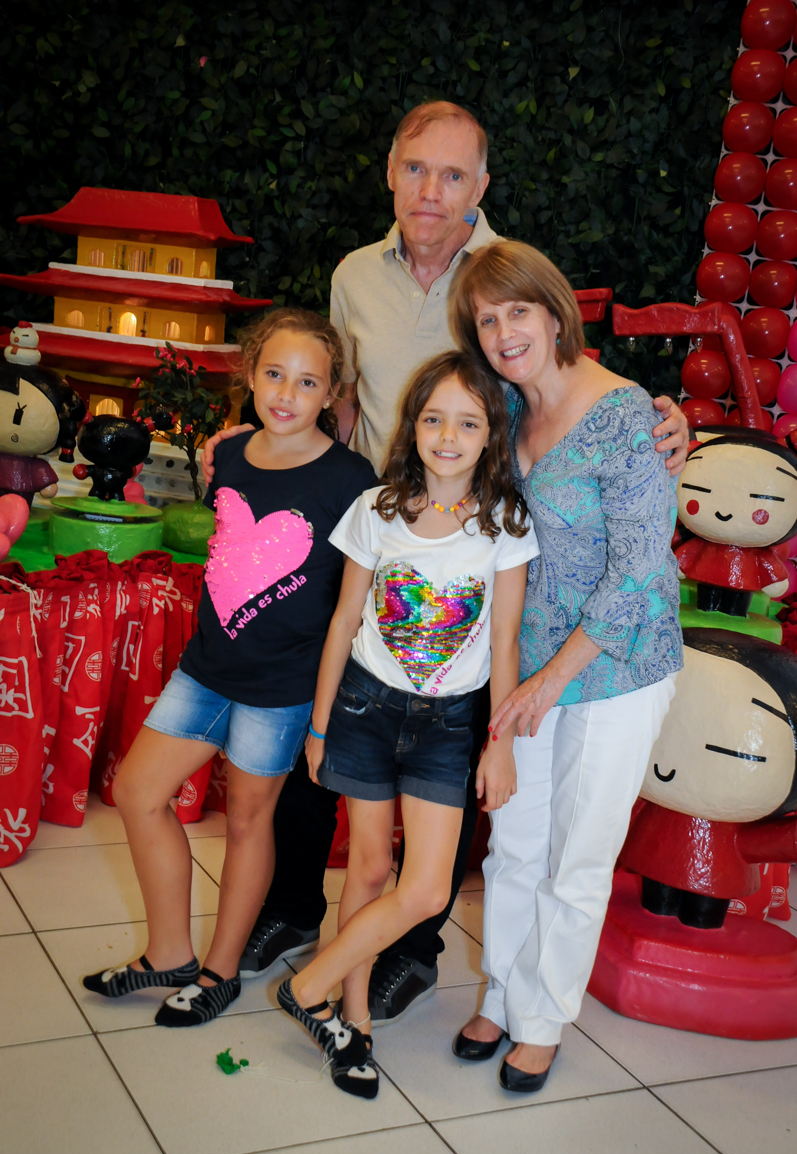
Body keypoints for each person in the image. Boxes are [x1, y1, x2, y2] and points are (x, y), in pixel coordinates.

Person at [202, 100, 691, 1025]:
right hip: (381, 533)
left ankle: (419, 952)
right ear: (390, 170)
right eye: (416, 169)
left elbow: (587, 426)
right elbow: (336, 399)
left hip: (491, 584)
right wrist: (266, 436)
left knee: (458, 771)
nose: (432, 190)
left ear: (482, 187)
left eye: (453, 174)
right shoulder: (356, 277)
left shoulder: (501, 292)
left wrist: (669, 421)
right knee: (357, 742)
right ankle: (309, 916)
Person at [82, 309, 375, 1025]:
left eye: (307, 381)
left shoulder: (351, 478)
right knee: (138, 791)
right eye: (273, 373)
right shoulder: (232, 455)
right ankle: (168, 954)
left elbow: (352, 598)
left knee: (249, 822)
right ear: (248, 374)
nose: (286, 393)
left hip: (283, 689)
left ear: (333, 393)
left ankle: (217, 971)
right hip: (206, 668)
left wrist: (326, 709)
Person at [448, 239, 683, 1092]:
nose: (504, 331)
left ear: (552, 313)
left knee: (577, 853)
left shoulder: (625, 414)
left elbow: (640, 568)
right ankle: (504, 993)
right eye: (486, 319)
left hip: (618, 664)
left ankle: (543, 1018)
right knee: (513, 839)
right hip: (531, 654)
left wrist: (550, 680)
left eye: (517, 311)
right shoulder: (505, 411)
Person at [277, 348, 539, 1098]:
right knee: (364, 870)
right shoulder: (377, 508)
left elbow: (503, 641)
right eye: (432, 419)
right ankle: (349, 1025)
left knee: (424, 890)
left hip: (450, 724)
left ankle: (309, 986)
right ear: (411, 426)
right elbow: (342, 622)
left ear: (490, 433)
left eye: (466, 421)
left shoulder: (504, 522)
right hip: (362, 708)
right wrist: (320, 726)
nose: (447, 436)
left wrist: (500, 747)